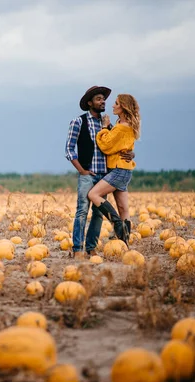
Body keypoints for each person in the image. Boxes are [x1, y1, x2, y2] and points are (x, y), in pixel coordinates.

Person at [65, 86, 133, 258]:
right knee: (82, 211)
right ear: (90, 103)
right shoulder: (79, 122)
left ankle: (91, 247)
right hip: (88, 174)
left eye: (104, 99)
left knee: (97, 214)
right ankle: (77, 249)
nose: (103, 102)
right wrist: (81, 170)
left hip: (105, 174)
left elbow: (119, 145)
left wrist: (131, 153)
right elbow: (69, 149)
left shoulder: (109, 125)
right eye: (98, 99)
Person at [87, 94, 141, 245]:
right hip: (124, 169)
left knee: (93, 194)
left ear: (123, 107)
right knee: (123, 208)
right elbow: (124, 146)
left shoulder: (122, 128)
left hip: (118, 170)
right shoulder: (125, 125)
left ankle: (117, 223)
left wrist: (104, 128)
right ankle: (124, 242)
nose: (112, 106)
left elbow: (106, 146)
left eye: (116, 103)